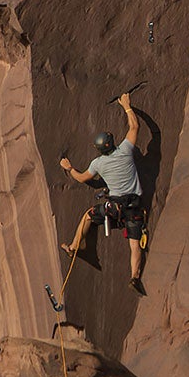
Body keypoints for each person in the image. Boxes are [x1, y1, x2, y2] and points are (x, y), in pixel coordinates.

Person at [58, 91, 149, 296]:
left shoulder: (97, 163)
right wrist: (126, 106)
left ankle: (73, 246)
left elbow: (82, 178)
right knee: (135, 245)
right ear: (112, 142)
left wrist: (68, 167)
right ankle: (135, 276)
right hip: (134, 207)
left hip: (114, 208)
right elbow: (135, 127)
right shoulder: (125, 150)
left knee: (89, 215)